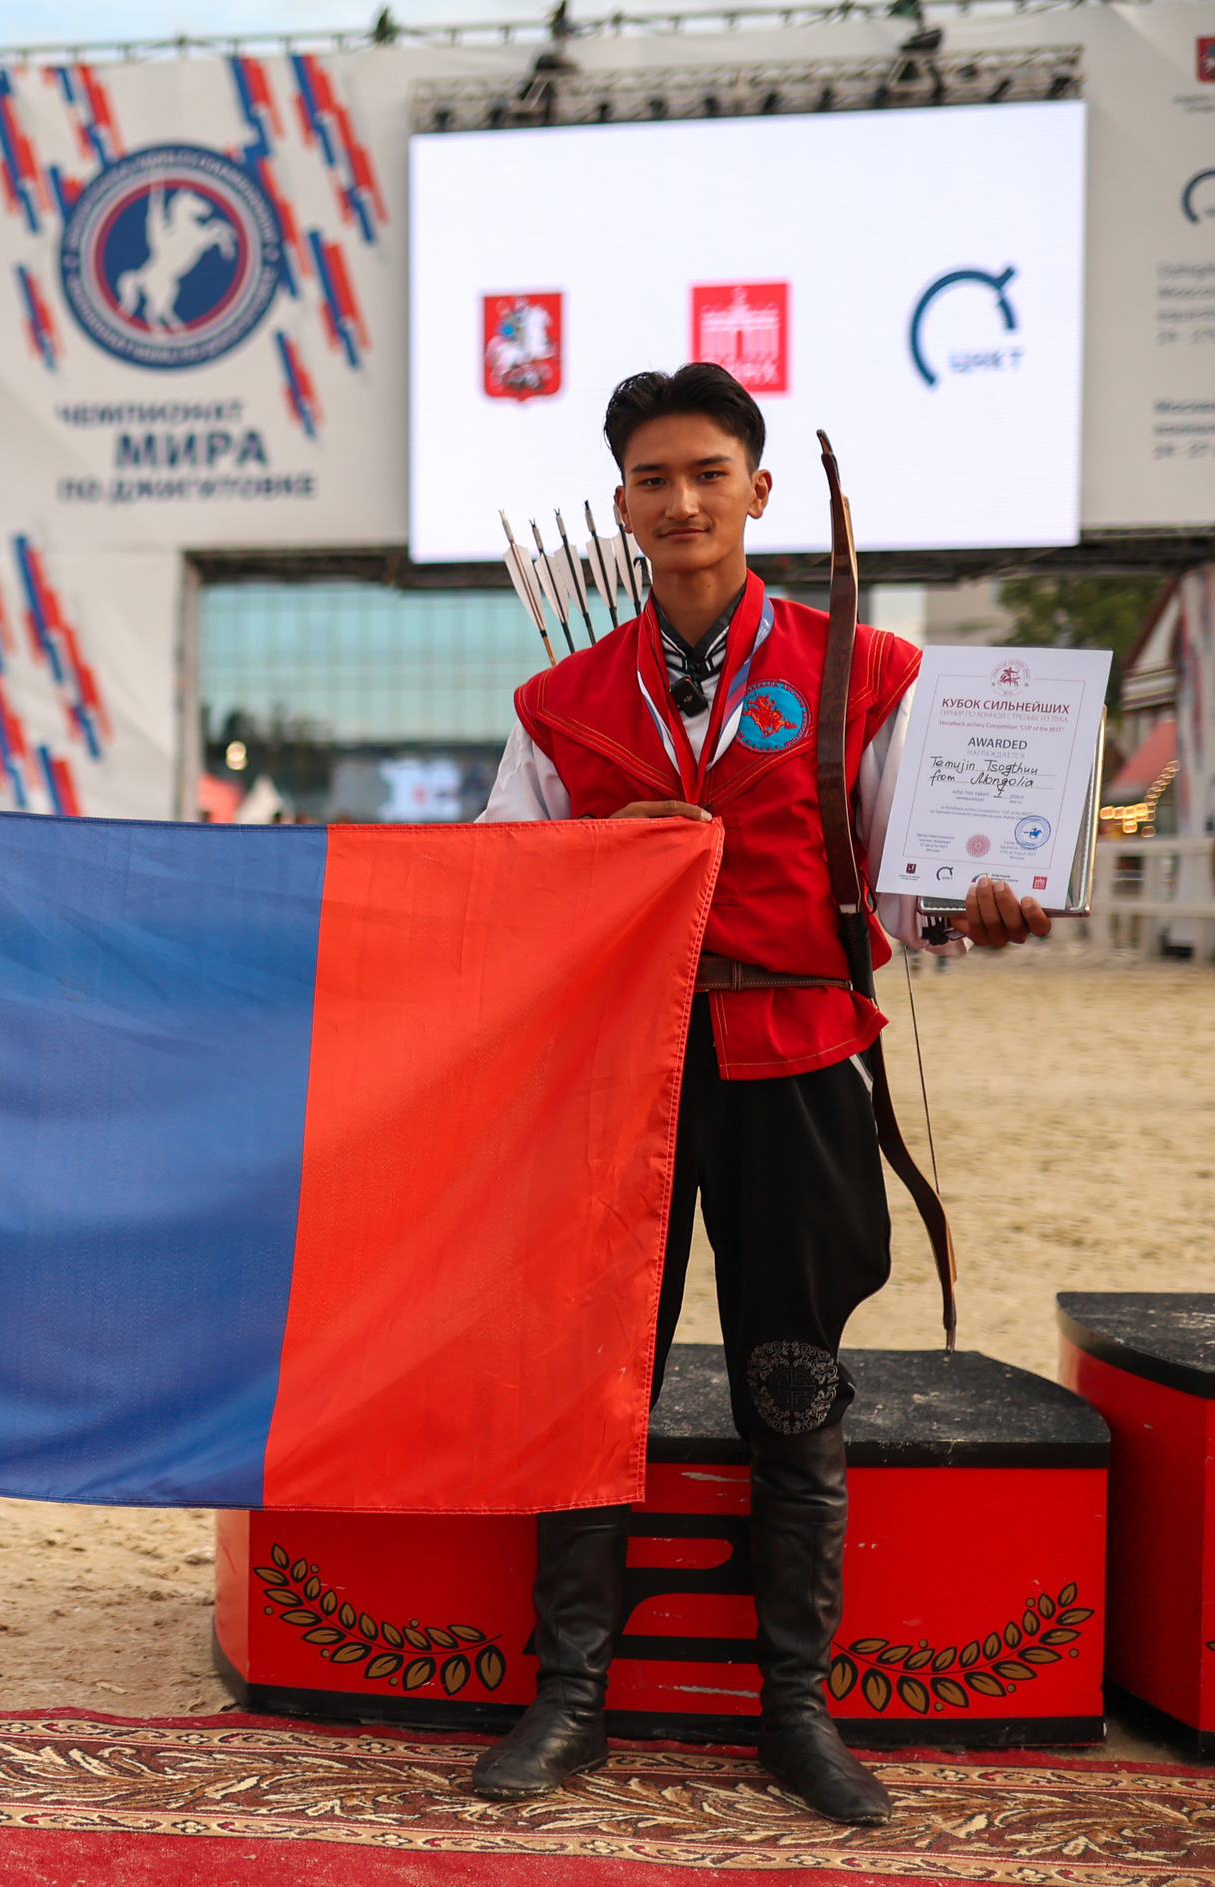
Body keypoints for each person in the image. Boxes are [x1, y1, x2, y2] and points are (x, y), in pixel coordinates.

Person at [469, 364, 1049, 1825]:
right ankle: (571, 1695)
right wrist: (605, 867)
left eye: (708, 475)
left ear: (759, 492)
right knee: (597, 1384)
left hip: (796, 1065)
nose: (682, 502)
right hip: (623, 1080)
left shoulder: (862, 671)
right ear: (623, 507)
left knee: (795, 1388)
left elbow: (894, 888)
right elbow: (494, 893)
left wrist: (971, 909)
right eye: (654, 480)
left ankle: (798, 1705)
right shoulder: (558, 704)